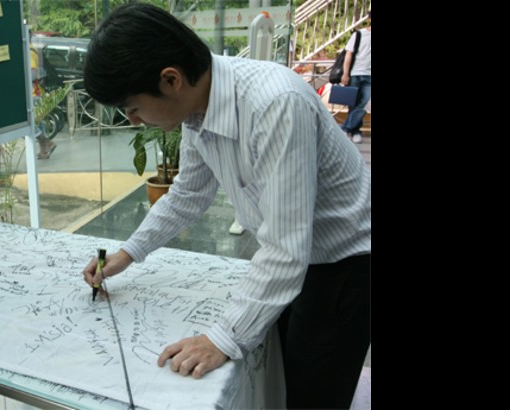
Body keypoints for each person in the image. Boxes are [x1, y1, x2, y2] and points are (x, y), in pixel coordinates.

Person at [81, 3, 370, 409]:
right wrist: (126, 254)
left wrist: (222, 338)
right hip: (300, 256)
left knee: (314, 390)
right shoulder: (200, 108)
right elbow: (188, 194)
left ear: (171, 79)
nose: (133, 120)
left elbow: (287, 248)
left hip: (346, 264)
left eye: (132, 107)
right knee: (279, 369)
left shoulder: (275, 104)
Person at [340, 11, 371, 144]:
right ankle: (356, 131)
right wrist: (345, 73)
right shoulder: (359, 34)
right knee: (353, 104)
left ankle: (345, 128)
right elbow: (349, 55)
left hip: (370, 76)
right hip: (355, 73)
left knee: (364, 104)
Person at [29, 41, 56, 159]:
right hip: (37, 92)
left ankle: (46, 142)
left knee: (30, 123)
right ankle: (44, 150)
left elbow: (34, 74)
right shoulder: (34, 50)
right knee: (39, 122)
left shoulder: (28, 52)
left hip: (33, 93)